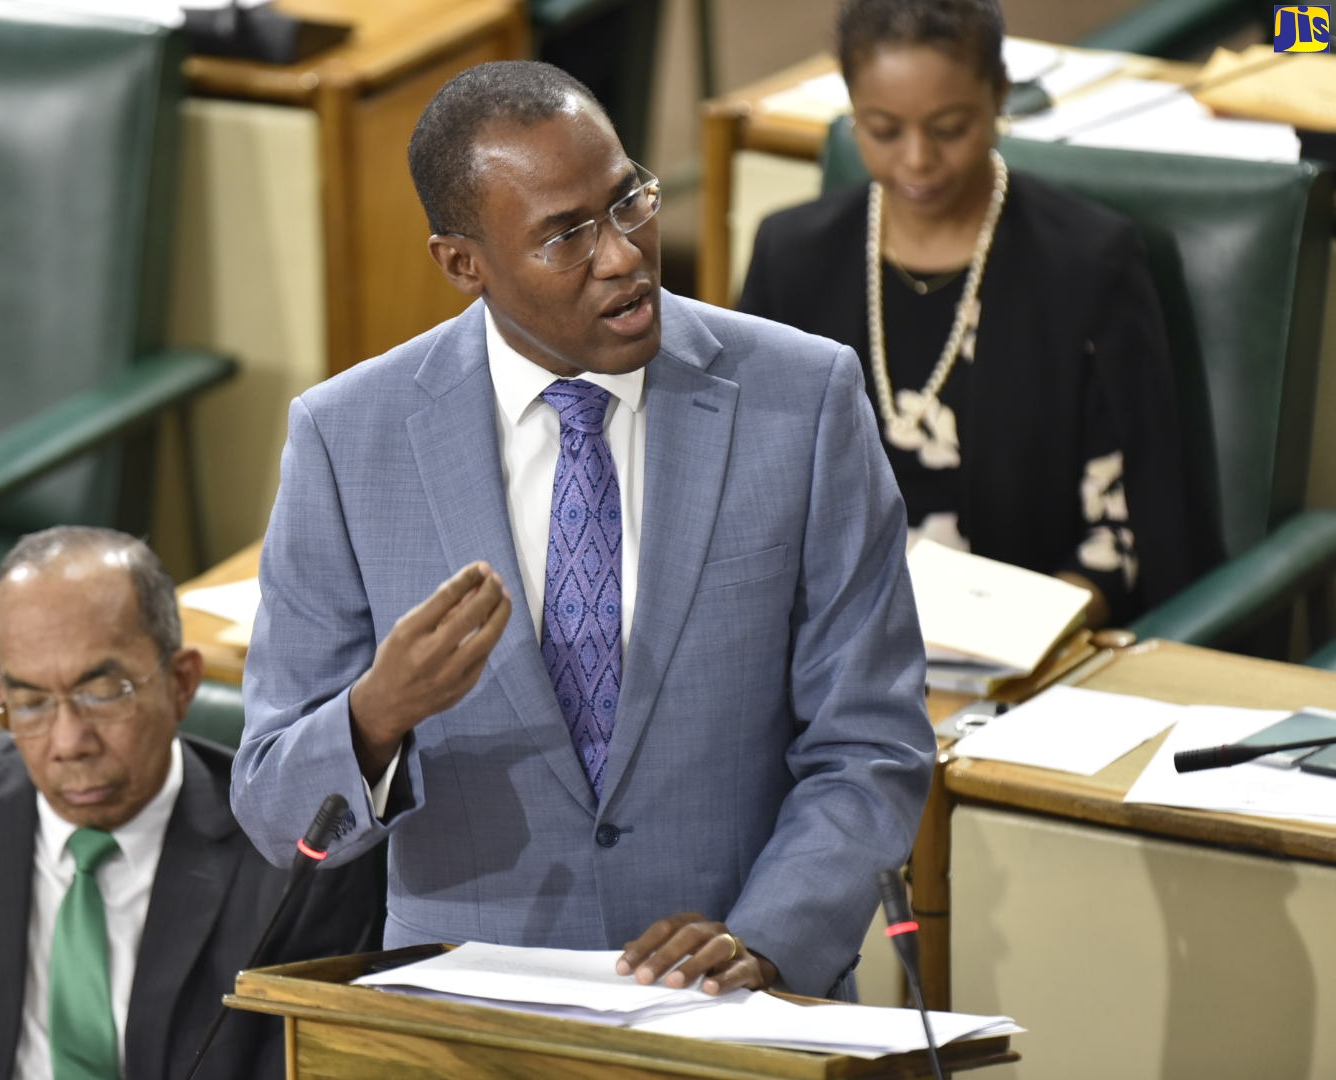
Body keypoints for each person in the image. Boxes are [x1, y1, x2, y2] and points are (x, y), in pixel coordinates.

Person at [231, 59, 934, 1001]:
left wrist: (769, 939)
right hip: (466, 1021)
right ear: (462, 263)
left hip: (734, 1009)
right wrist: (374, 716)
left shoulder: (802, 400)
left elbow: (871, 743)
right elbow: (281, 814)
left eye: (628, 201)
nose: (622, 255)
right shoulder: (346, 437)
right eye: (565, 236)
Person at [0, 526, 379, 1080]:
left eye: (102, 694)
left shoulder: (293, 857)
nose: (69, 743)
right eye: (33, 704)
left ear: (181, 682)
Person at [739, 0, 1202, 629]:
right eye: (883, 129)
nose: (917, 160)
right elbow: (750, 484)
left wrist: (1025, 633)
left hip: (1025, 641)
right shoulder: (793, 253)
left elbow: (1130, 524)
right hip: (830, 636)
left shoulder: (1088, 262)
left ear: (1000, 98)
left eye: (950, 127)